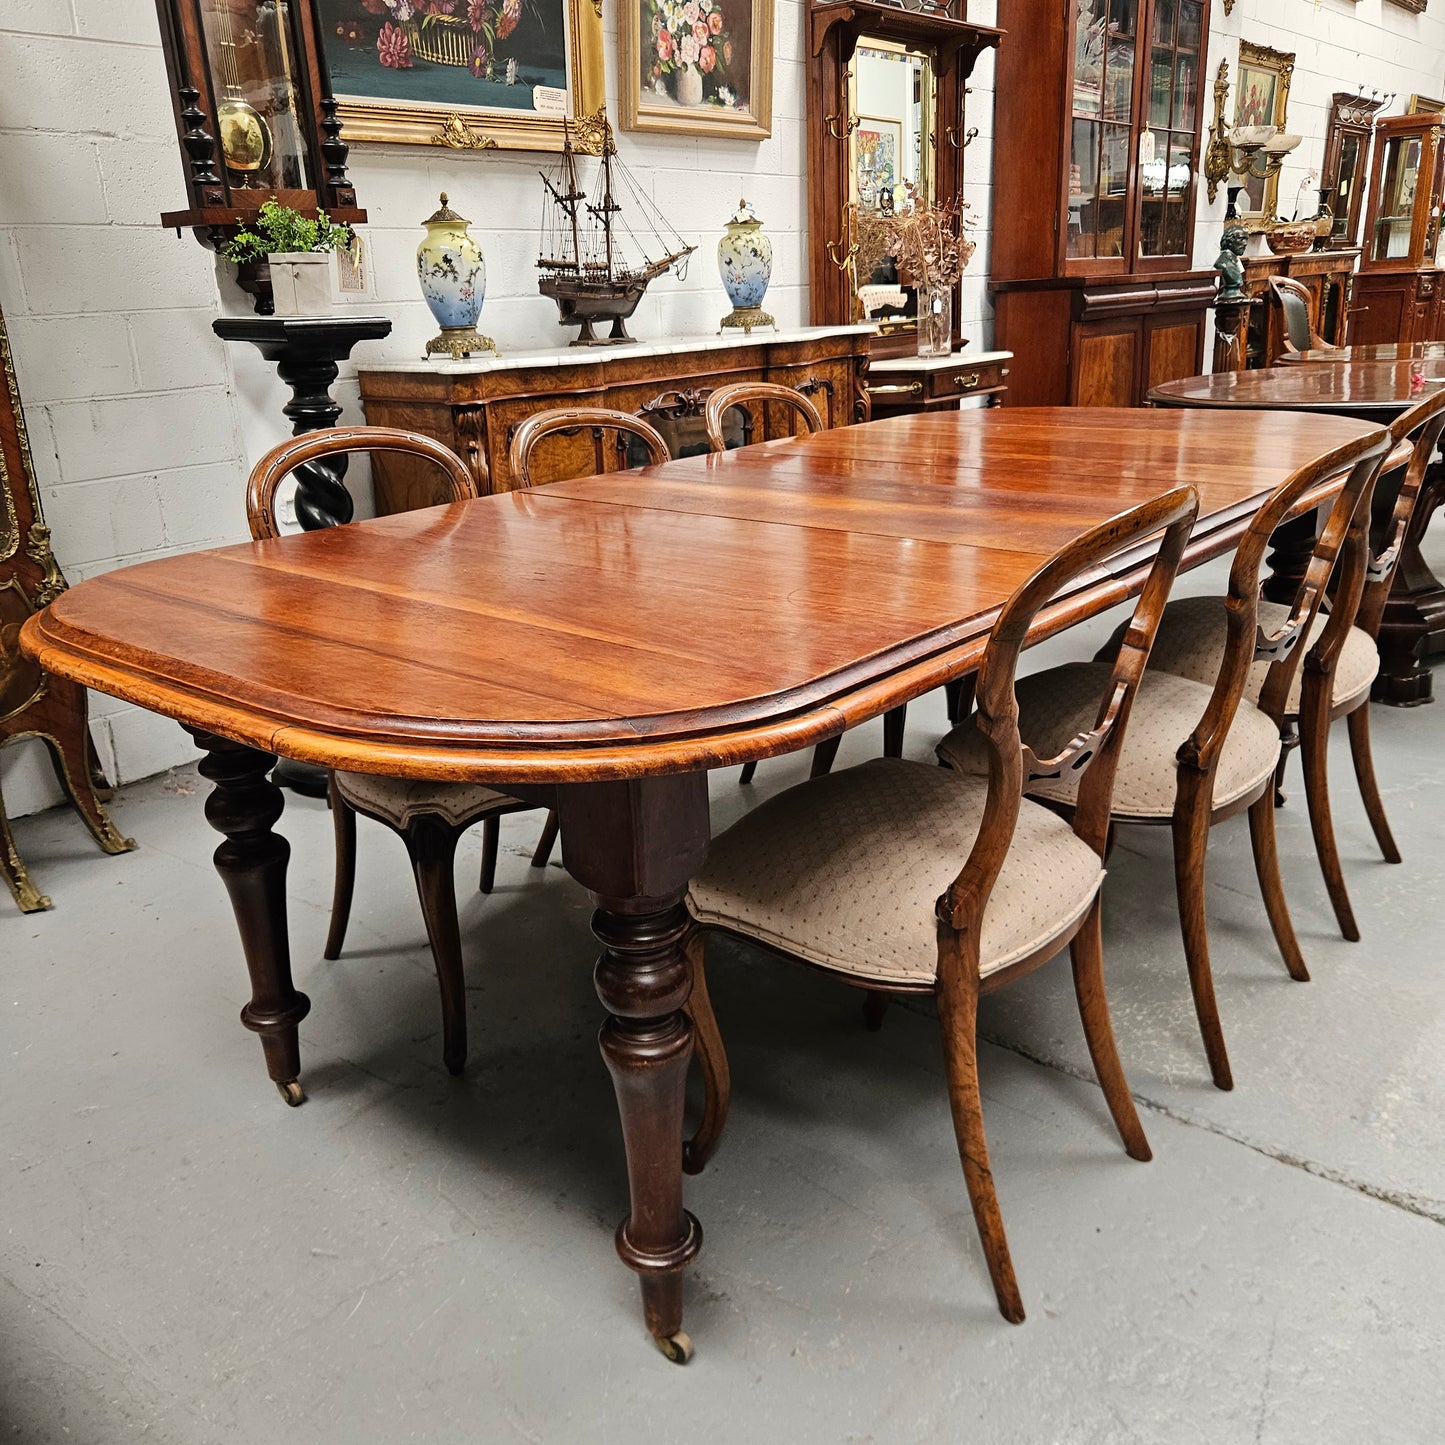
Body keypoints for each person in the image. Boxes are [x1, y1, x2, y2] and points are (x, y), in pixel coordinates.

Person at [1213, 223, 1248, 301]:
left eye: (1246, 239)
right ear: (1229, 241)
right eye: (1241, 239)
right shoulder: (1223, 263)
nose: (1245, 243)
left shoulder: (1234, 261)